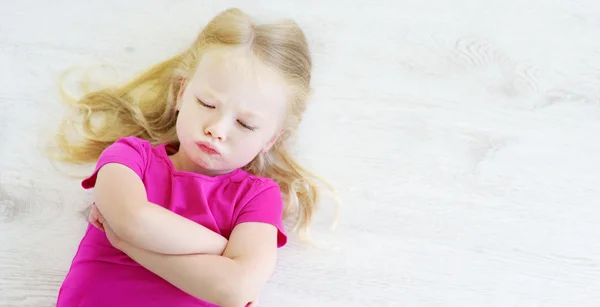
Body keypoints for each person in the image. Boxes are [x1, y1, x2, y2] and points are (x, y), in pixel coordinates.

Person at [52, 7, 330, 307]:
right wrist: (223, 250)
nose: (217, 129)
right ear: (182, 93)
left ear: (271, 139)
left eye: (245, 124)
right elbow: (131, 221)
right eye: (207, 103)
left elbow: (235, 289)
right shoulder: (130, 157)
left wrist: (128, 245)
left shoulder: (258, 197)